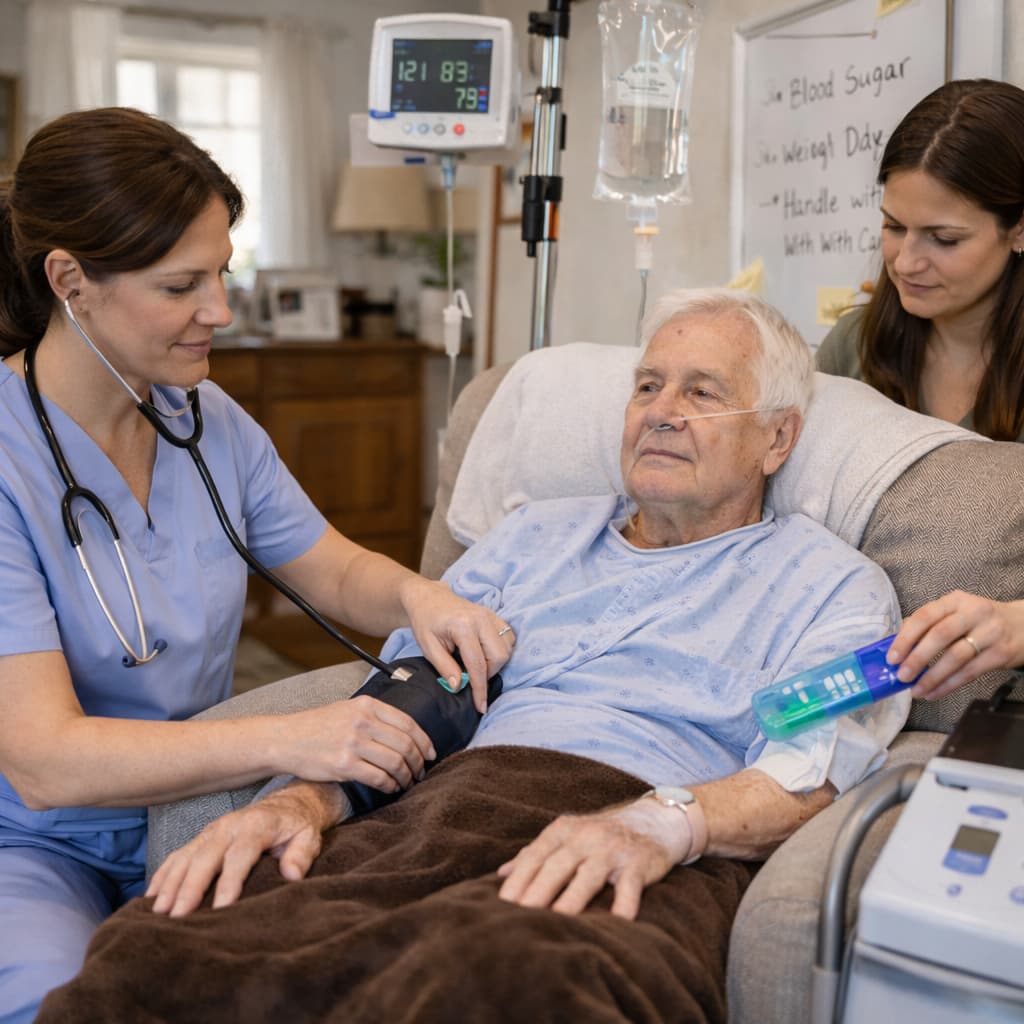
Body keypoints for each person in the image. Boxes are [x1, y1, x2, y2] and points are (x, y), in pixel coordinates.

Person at [38, 288, 909, 1023]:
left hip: (640, 840)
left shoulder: (831, 587)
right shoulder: (533, 538)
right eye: (648, 385)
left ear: (780, 440)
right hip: (440, 809)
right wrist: (302, 802)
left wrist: (665, 823)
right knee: (160, 953)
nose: (660, 412)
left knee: (497, 979)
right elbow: (420, 690)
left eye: (703, 392)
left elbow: (813, 767)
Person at [0, 107, 513, 1024]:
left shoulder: (209, 423)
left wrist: (418, 592)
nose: (222, 313)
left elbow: (330, 568)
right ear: (71, 281)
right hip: (38, 843)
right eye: (182, 285)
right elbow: (44, 761)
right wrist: (297, 736)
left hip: (198, 801)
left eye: (223, 274)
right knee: (68, 1003)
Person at [814, 78, 1024, 701]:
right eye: (892, 226)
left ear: (1018, 230)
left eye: (944, 238)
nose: (905, 261)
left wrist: (1016, 625)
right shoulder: (852, 347)